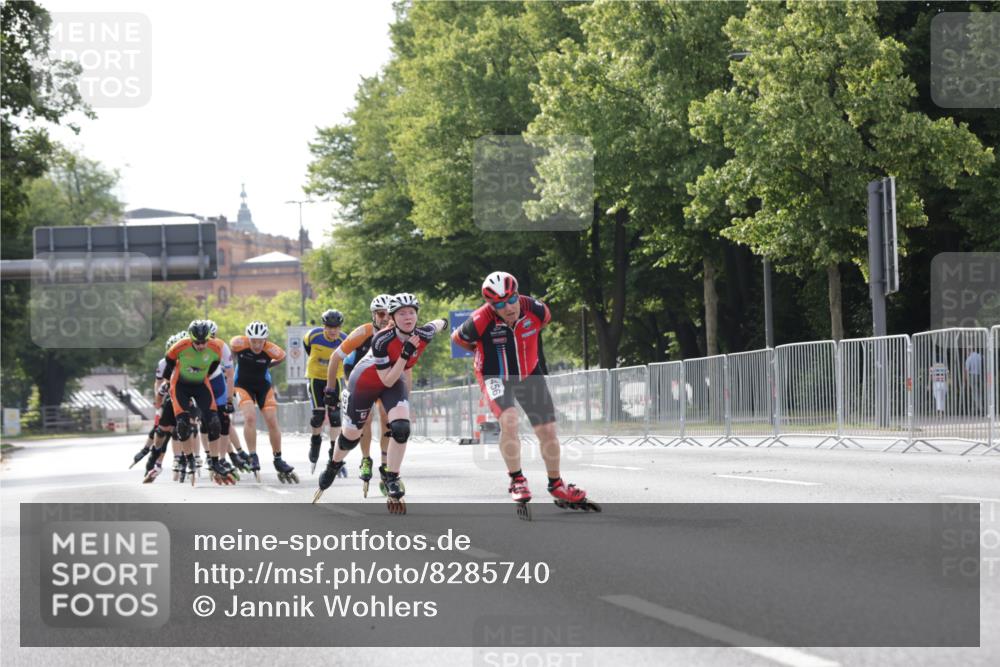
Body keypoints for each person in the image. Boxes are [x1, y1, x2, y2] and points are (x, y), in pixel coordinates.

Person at [452, 271, 599, 518]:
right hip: (494, 375)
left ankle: (557, 485)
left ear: (518, 294)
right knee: (509, 420)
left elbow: (541, 324)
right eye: (498, 304)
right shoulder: (479, 320)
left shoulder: (537, 310)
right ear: (490, 305)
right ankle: (517, 479)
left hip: (529, 372)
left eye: (511, 300)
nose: (507, 307)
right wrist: (482, 351)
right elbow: (459, 340)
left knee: (548, 430)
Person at [314, 293, 447, 512]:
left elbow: (436, 324)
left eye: (412, 313)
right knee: (350, 438)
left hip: (392, 382)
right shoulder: (381, 339)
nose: (408, 317)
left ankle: (392, 476)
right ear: (393, 319)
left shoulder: (422, 333)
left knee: (401, 427)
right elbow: (387, 378)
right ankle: (333, 465)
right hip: (365, 383)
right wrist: (405, 355)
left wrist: (445, 322)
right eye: (402, 313)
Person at [325, 294, 393, 495]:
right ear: (373, 315)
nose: (385, 318)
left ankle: (385, 462)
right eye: (381, 314)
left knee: (387, 416)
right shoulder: (363, 331)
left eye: (390, 314)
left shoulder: (398, 333)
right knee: (366, 417)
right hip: (358, 376)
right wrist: (331, 390)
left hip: (384, 378)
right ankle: (365, 458)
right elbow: (336, 358)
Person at [162, 320, 231, 485]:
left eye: (204, 342)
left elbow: (214, 366)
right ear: (191, 339)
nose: (201, 345)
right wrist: (166, 381)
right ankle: (190, 458)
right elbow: (169, 362)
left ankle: (214, 461)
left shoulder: (215, 348)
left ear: (209, 339)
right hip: (180, 385)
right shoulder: (180, 346)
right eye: (197, 342)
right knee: (183, 424)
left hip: (201, 385)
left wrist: (200, 374)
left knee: (214, 422)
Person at [230, 321, 294, 482]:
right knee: (250, 417)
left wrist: (267, 365)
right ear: (248, 338)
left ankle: (278, 459)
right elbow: (229, 359)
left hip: (263, 386)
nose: (257, 345)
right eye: (254, 341)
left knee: (272, 420)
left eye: (260, 341)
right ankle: (252, 456)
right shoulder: (238, 344)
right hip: (242, 385)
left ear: (265, 339)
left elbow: (282, 357)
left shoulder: (273, 350)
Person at [303, 309, 348, 474]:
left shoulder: (345, 340)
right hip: (316, 377)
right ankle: (315, 442)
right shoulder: (312, 336)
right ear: (324, 326)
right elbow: (307, 348)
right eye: (329, 327)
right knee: (318, 416)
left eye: (336, 327)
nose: (333, 330)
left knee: (335, 416)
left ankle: (333, 452)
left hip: (335, 379)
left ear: (340, 327)